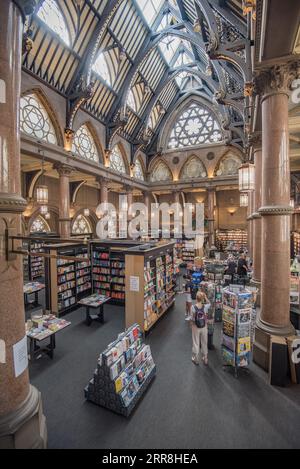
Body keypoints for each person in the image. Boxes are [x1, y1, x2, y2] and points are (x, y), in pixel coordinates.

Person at [189, 291, 210, 366]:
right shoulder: (205, 306)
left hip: (195, 327)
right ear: (202, 299)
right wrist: (205, 297)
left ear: (196, 298)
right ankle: (205, 358)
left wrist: (191, 324)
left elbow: (191, 318)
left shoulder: (193, 307)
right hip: (204, 326)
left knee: (196, 342)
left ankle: (196, 359)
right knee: (204, 341)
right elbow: (209, 303)